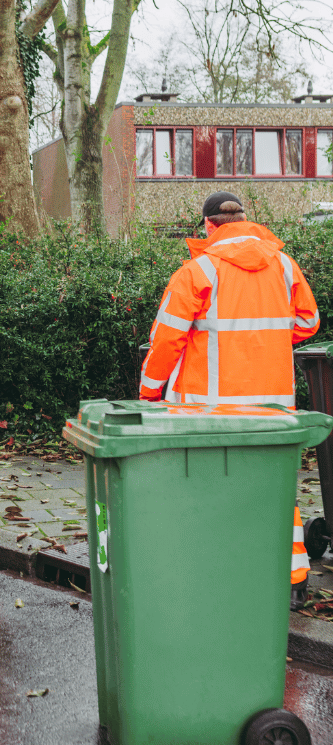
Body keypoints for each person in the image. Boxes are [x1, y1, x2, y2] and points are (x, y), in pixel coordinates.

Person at [139, 191, 320, 610]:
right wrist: (265, 340)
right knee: (275, 490)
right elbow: (308, 321)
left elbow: (166, 341)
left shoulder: (198, 270)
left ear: (208, 225)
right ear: (245, 220)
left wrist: (149, 391)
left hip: (210, 410)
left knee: (210, 489)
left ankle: (218, 574)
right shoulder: (284, 265)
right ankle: (293, 580)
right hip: (273, 405)